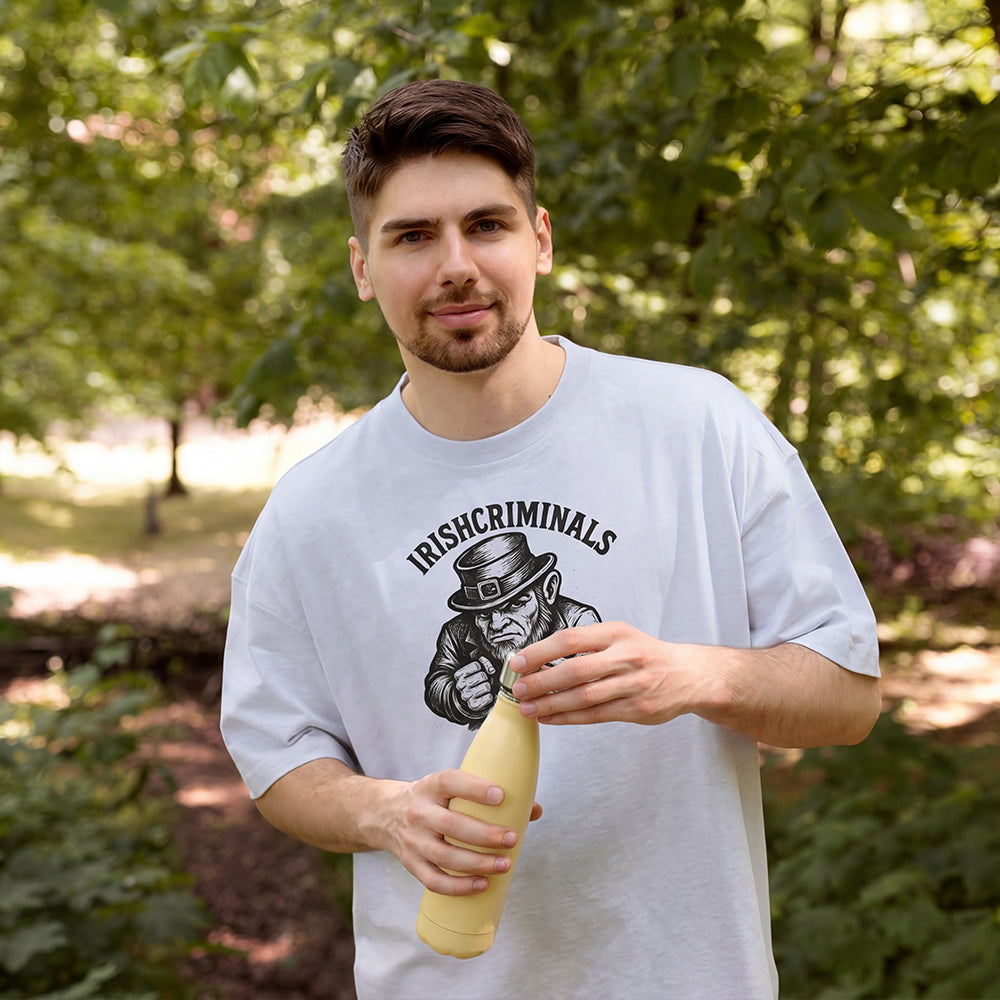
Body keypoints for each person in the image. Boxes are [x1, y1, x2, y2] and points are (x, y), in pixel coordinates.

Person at [221, 78, 881, 999]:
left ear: (540, 239)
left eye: (486, 225)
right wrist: (387, 813)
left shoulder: (698, 425)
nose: (456, 266)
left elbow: (848, 695)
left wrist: (692, 676)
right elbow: (280, 757)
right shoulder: (312, 511)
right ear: (363, 267)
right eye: (413, 237)